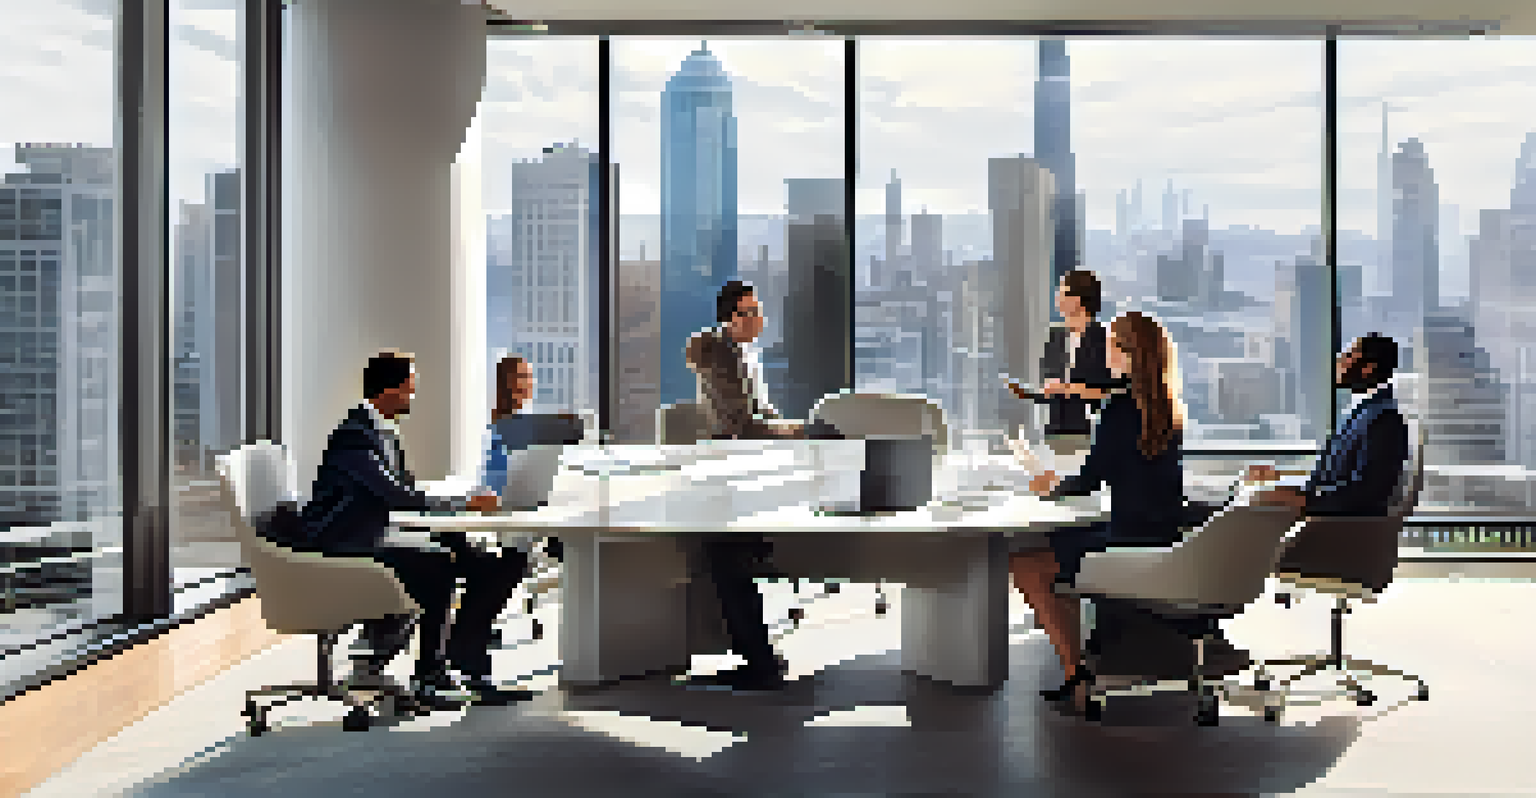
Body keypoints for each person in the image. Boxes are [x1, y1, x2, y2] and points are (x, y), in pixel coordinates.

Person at [298, 351, 528, 708]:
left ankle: (465, 658)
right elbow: (397, 496)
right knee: (435, 562)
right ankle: (430, 674)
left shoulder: (380, 431)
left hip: (368, 533)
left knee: (478, 556)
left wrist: (455, 500)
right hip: (341, 543)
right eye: (409, 389)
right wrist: (462, 504)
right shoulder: (355, 436)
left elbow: (403, 491)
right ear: (388, 390)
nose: (412, 397)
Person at [1013, 312, 1188, 705]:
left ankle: (1076, 673)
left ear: (1127, 353)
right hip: (1161, 540)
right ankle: (1095, 653)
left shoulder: (1119, 409)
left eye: (1111, 343)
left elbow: (1089, 481)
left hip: (1125, 545)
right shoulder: (1168, 407)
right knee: (1060, 546)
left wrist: (1049, 486)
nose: (1104, 351)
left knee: (1026, 564)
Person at [681, 280, 804, 691]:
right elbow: (744, 425)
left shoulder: (743, 355)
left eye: (758, 310)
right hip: (728, 470)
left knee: (733, 560)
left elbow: (761, 413)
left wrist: (794, 429)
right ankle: (758, 659)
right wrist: (798, 433)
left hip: (747, 467)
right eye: (747, 313)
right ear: (728, 319)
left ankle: (758, 656)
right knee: (728, 559)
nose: (758, 319)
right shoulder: (720, 353)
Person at [1244, 333, 1410, 516]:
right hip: (1326, 512)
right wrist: (1281, 477)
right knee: (1247, 493)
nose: (1338, 362)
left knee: (1253, 504)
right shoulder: (1364, 411)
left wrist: (1302, 500)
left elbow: (1369, 491)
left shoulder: (1383, 419)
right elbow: (1331, 475)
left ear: (1367, 368)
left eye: (1347, 356)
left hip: (1337, 524)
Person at [481, 353, 579, 562]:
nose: (528, 382)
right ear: (506, 383)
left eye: (529, 376)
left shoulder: (531, 424)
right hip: (509, 506)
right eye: (521, 376)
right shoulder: (500, 428)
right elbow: (495, 479)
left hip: (532, 502)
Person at [1017, 270, 1123, 448]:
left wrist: (1069, 388)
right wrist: (1032, 393)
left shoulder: (1106, 339)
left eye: (1064, 293)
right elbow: (1050, 385)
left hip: (1094, 432)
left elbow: (1114, 391)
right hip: (1056, 432)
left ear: (1080, 299)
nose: (1057, 299)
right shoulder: (1055, 336)